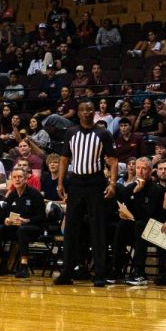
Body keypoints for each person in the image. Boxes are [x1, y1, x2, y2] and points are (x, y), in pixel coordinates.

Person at [54, 104, 117, 286]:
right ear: (79, 113)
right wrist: (60, 182)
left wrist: (112, 183)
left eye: (90, 110)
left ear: (94, 113)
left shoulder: (103, 133)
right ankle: (67, 272)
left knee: (97, 228)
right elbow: (65, 159)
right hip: (75, 183)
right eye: (83, 110)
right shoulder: (71, 132)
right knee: (71, 228)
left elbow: (113, 161)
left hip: (96, 183)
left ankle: (100, 273)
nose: (86, 113)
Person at [0, 166, 46, 278]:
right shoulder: (12, 195)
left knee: (22, 230)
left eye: (20, 177)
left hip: (32, 227)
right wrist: (5, 219)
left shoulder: (35, 194)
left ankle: (24, 265)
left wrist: (27, 220)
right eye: (14, 177)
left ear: (25, 179)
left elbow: (42, 217)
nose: (17, 179)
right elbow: (3, 214)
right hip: (15, 227)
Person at [111, 156, 160, 284]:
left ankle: (140, 272)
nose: (140, 171)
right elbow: (127, 209)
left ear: (150, 171)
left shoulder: (156, 189)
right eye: (138, 168)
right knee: (121, 224)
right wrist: (121, 213)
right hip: (133, 229)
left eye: (144, 169)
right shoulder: (129, 188)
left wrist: (137, 193)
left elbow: (149, 215)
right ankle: (116, 269)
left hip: (152, 230)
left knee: (140, 224)